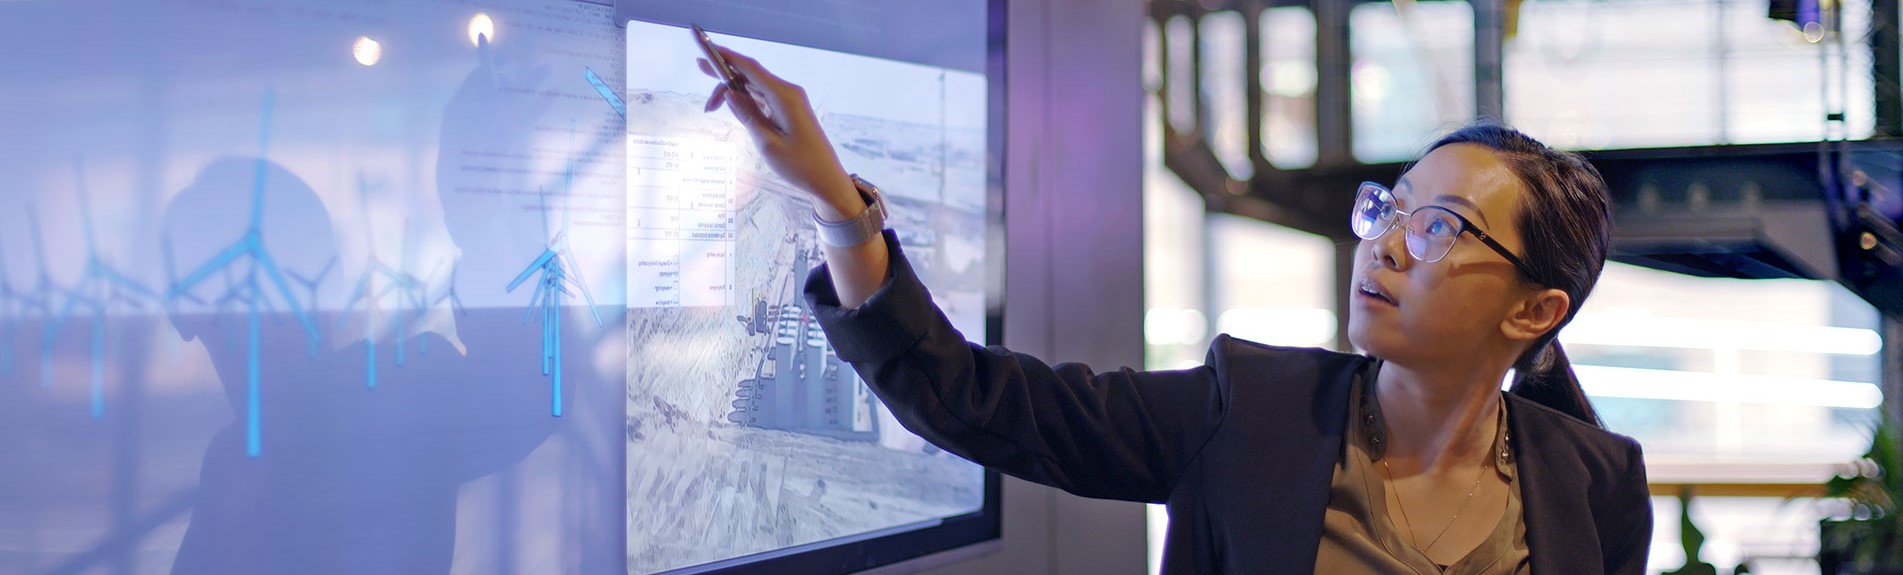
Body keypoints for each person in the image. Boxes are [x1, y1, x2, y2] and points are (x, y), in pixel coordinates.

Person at [701, 45, 1651, 574]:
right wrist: (839, 209)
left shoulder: (1593, 480)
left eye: (1437, 226)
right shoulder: (1251, 411)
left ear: (1534, 311)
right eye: (1389, 206)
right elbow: (970, 397)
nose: (1386, 241)